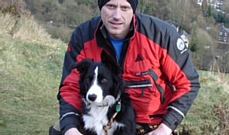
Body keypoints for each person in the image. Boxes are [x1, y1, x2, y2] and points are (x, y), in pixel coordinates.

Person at [49, 0, 201, 135]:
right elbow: (70, 87)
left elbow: (188, 83)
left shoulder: (161, 34)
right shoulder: (83, 35)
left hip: (150, 125)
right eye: (111, 6)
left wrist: (166, 127)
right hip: (95, 116)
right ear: (101, 7)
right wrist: (70, 128)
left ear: (133, 10)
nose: (117, 15)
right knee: (59, 130)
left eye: (124, 7)